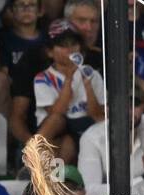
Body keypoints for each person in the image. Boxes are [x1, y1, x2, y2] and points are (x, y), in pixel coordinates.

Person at [32, 20, 105, 163]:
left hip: (85, 127)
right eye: (63, 46)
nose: (70, 49)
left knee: (70, 142)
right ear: (50, 52)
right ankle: (34, 161)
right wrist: (69, 77)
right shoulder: (43, 78)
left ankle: (56, 178)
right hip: (57, 129)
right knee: (61, 132)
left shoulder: (93, 74)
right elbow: (58, 112)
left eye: (73, 44)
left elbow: (98, 116)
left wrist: (88, 85)